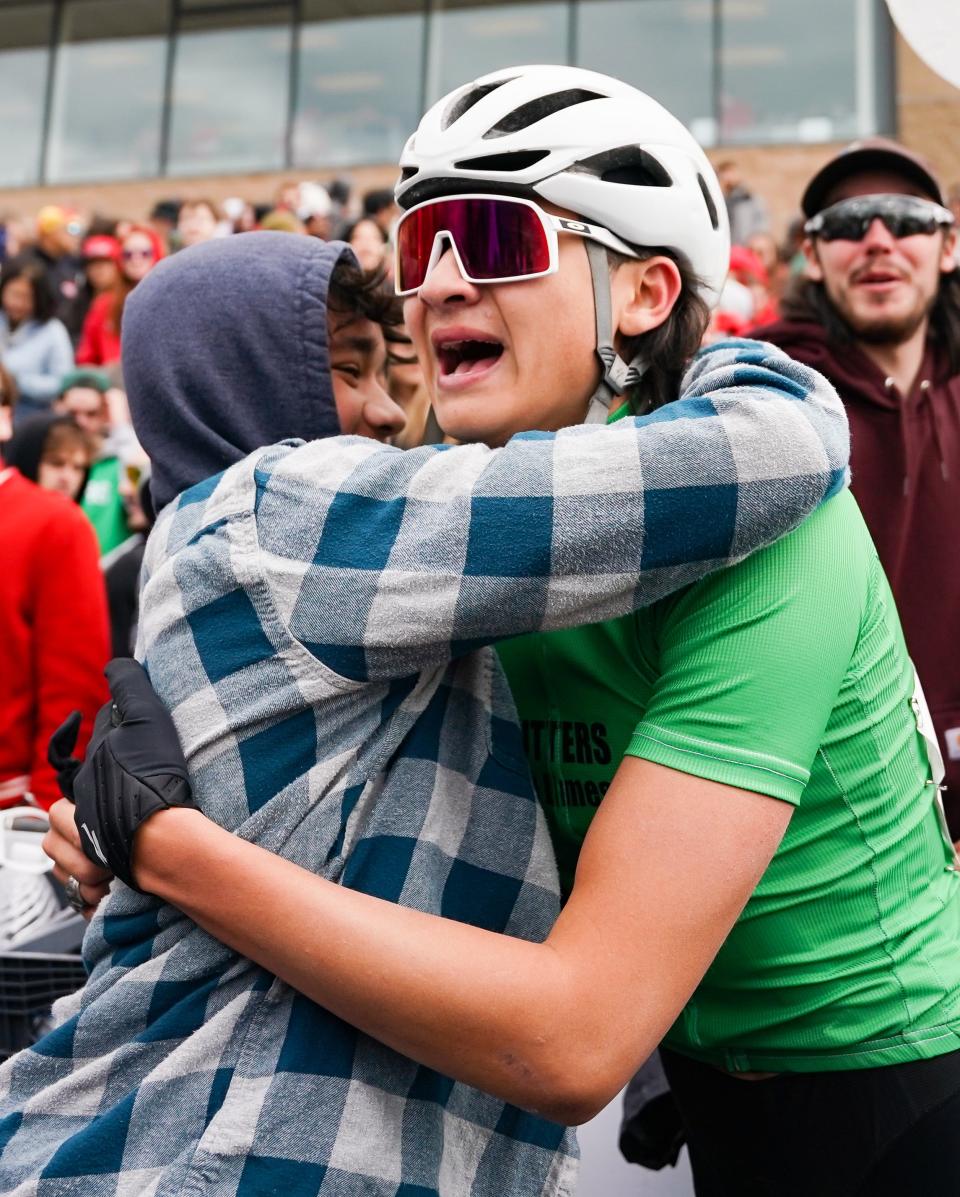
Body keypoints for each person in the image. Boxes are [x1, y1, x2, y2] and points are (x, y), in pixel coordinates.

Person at [8, 71, 848, 1197]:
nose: (380, 408)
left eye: (383, 369)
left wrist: (149, 854)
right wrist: (720, 347)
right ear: (237, 378)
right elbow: (772, 445)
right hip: (234, 1155)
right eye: (344, 369)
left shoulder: (280, 549)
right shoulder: (286, 514)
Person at [753, 137, 960, 833]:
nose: (876, 239)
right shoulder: (758, 397)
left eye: (903, 217)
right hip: (829, 821)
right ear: (811, 256)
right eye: (845, 224)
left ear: (948, 246)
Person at [0, 419, 108, 811]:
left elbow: (73, 688)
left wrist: (47, 807)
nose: (67, 478)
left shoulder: (56, 524)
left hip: (12, 809)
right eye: (57, 463)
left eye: (77, 467)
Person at [76, 225, 165, 368]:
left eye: (144, 253)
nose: (136, 259)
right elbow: (86, 358)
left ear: (156, 255)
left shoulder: (170, 302)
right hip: (111, 381)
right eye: (128, 254)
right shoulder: (104, 305)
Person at [0, 260, 74, 424]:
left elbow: (62, 382)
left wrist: (15, 381)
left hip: (30, 418)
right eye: (13, 294)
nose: (17, 303)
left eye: (26, 297)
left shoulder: (53, 331)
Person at [716, 160, 769, 247]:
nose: (729, 177)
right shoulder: (720, 201)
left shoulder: (751, 200)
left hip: (748, 249)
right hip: (726, 249)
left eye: (731, 172)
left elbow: (762, 225)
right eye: (725, 173)